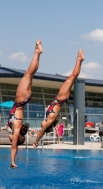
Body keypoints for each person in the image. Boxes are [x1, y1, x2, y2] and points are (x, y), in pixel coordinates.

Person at [33, 49, 84, 148]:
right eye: (42, 126)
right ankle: (79, 59)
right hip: (61, 98)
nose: (41, 125)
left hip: (60, 97)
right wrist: (36, 141)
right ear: (46, 127)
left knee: (72, 77)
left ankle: (80, 60)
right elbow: (41, 133)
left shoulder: (48, 118)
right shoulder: (49, 121)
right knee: (72, 76)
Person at [8, 40, 43, 168]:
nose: (10, 140)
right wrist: (12, 162)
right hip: (21, 100)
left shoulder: (16, 129)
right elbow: (14, 148)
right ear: (16, 139)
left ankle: (38, 53)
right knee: (28, 73)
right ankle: (37, 52)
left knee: (30, 74)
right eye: (12, 140)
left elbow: (15, 147)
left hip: (25, 99)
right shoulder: (16, 130)